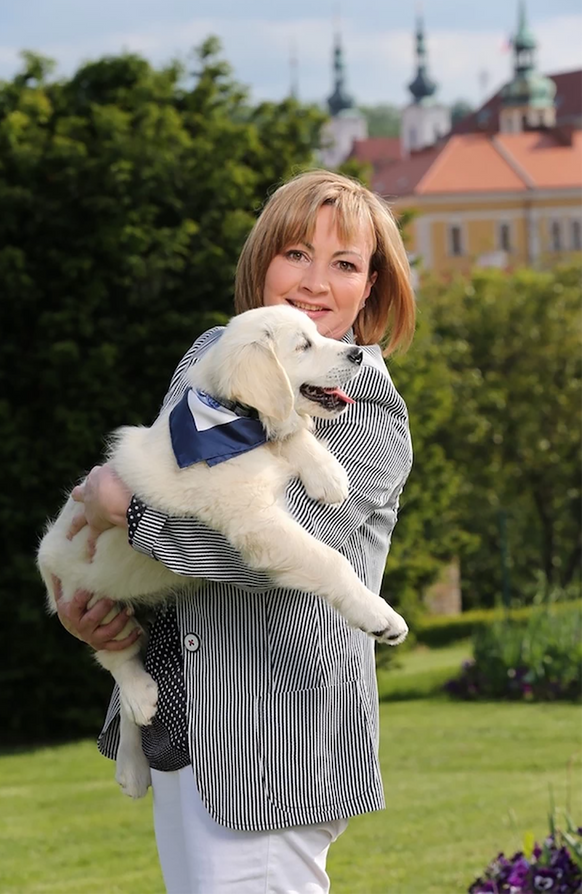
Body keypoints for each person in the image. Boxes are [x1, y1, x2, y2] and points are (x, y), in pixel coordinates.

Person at [53, 169, 415, 894]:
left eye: (344, 264)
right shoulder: (214, 355)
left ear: (370, 288)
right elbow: (180, 495)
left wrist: (125, 507)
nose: (316, 281)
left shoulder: (364, 408)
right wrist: (98, 610)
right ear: (262, 261)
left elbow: (253, 551)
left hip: (271, 739)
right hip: (183, 721)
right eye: (296, 254)